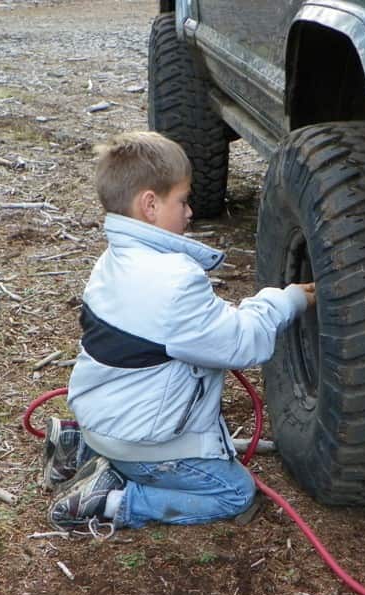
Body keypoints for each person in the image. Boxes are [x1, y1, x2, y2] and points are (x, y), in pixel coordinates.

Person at [44, 131, 316, 531]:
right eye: (183, 201)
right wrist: (285, 300)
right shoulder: (173, 281)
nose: (190, 212)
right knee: (234, 492)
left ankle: (80, 445)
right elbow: (240, 344)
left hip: (103, 419)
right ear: (150, 205)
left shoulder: (113, 260)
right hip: (140, 442)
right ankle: (113, 501)